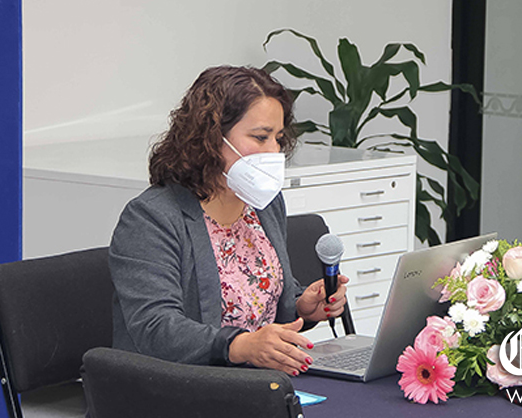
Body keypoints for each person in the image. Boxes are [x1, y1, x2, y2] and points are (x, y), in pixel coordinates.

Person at [108, 65, 348, 377]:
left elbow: (260, 301)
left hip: (259, 379)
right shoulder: (151, 218)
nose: (273, 151)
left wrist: (302, 305)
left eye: (278, 138)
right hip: (181, 386)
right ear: (209, 138)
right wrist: (240, 346)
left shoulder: (264, 205)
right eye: (260, 137)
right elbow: (155, 327)